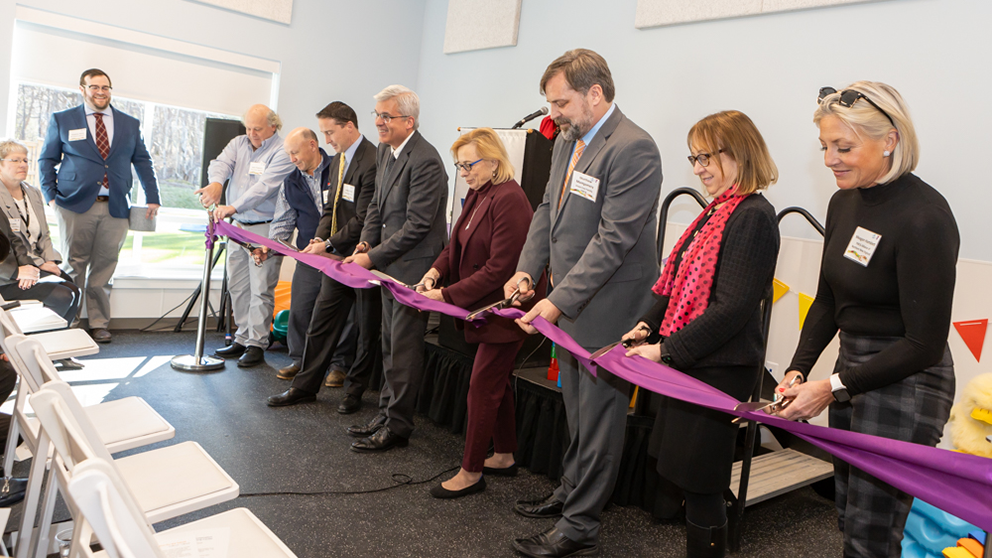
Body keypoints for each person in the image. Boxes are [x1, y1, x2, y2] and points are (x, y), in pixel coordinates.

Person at [776, 82, 958, 558]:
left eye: (844, 147)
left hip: (910, 377)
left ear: (890, 141)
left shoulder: (925, 217)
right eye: (825, 147)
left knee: (871, 532)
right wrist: (800, 368)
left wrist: (832, 386)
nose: (830, 159)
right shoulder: (843, 201)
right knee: (849, 515)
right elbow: (828, 298)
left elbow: (924, 343)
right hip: (854, 370)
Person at [505, 49, 663, 558]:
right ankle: (571, 493)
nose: (553, 114)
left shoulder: (635, 147)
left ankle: (580, 526)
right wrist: (529, 269)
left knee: (599, 421)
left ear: (595, 93)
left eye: (561, 102)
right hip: (570, 304)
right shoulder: (568, 143)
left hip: (608, 308)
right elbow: (548, 209)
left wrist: (555, 301)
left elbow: (613, 240)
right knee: (576, 410)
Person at [623, 111, 780, 558]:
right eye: (694, 158)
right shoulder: (716, 211)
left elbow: (732, 309)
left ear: (740, 153)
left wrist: (666, 349)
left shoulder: (753, 216)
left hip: (720, 367)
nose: (697, 169)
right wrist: (646, 325)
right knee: (688, 477)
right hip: (693, 360)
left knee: (704, 482)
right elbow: (674, 284)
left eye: (707, 157)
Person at [417, 128, 544, 499]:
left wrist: (446, 295)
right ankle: (504, 454)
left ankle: (471, 471)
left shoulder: (510, 199)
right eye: (460, 166)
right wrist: (435, 272)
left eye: (469, 164)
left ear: (492, 160)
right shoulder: (478, 192)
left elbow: (501, 268)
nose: (465, 172)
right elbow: (455, 242)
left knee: (482, 387)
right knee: (497, 384)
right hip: (481, 307)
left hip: (506, 311)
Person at [343, 85, 448, 452]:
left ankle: (398, 427)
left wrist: (371, 258)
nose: (378, 122)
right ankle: (387, 412)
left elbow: (418, 225)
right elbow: (376, 207)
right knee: (389, 345)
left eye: (385, 116)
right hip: (387, 262)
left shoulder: (426, 160)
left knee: (403, 350)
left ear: (409, 120)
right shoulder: (388, 153)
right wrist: (366, 244)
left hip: (411, 269)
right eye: (377, 115)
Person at [267, 102, 380, 414]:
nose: (327, 139)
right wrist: (320, 238)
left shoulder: (372, 159)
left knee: (364, 328)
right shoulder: (341, 160)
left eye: (330, 132)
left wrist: (328, 242)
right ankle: (304, 387)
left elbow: (363, 217)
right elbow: (331, 209)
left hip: (363, 257)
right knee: (321, 322)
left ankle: (354, 392)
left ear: (349, 126)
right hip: (336, 257)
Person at [38, 68, 159, 343]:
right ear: (82, 89)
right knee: (72, 265)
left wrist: (152, 196)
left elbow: (143, 161)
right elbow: (46, 159)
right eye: (94, 87)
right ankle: (66, 322)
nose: (101, 92)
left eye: (105, 87)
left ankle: (99, 323)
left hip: (116, 205)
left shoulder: (129, 123)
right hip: (73, 203)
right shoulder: (63, 119)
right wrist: (51, 196)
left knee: (105, 266)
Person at [255, 126, 357, 386]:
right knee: (301, 309)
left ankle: (338, 364)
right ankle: (300, 359)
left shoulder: (342, 167)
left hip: (341, 255)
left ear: (313, 145)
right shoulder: (291, 181)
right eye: (288, 154)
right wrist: (270, 245)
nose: (292, 159)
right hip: (308, 256)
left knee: (343, 313)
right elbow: (283, 221)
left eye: (295, 152)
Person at [195, 104, 295, 368]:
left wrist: (233, 206)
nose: (252, 133)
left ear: (274, 126)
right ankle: (241, 337)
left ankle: (257, 343)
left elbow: (265, 187)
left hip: (265, 226)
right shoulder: (238, 142)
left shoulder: (282, 151)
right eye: (249, 128)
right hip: (237, 227)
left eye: (258, 129)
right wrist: (216, 182)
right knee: (238, 285)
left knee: (261, 288)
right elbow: (220, 163)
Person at [0, 140, 81, 322]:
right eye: (15, 160)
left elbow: (43, 233)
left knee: (74, 289)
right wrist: (20, 270)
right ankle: (34, 340)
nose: (23, 164)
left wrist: (48, 261)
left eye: (26, 160)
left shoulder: (33, 192)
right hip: (9, 270)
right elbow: (11, 243)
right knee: (63, 295)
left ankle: (57, 337)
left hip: (33, 262)